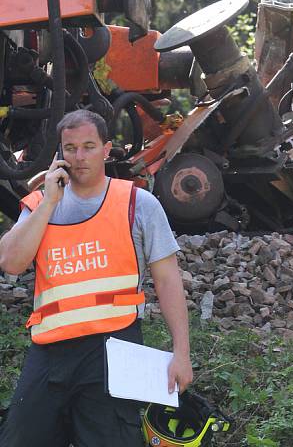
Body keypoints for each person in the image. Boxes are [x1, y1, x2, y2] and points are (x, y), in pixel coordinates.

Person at [0, 109, 193, 447]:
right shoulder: (39, 204)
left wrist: (182, 353)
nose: (79, 156)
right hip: (50, 352)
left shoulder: (138, 203)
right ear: (59, 153)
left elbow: (168, 281)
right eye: (70, 148)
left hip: (114, 350)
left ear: (106, 150)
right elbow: (11, 263)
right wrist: (48, 204)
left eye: (89, 146)